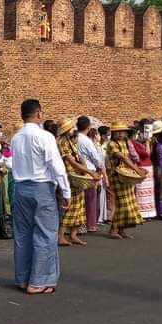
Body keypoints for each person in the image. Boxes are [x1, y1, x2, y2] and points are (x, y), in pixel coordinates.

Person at [10, 99, 70, 294]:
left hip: (20, 188)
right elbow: (56, 165)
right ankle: (39, 280)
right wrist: (66, 190)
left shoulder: (16, 138)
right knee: (45, 234)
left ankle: (23, 277)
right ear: (39, 114)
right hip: (41, 187)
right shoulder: (44, 136)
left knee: (23, 235)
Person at [56, 117, 95, 246]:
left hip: (78, 175)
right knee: (69, 207)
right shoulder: (62, 141)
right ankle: (60, 236)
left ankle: (73, 235)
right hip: (69, 176)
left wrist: (86, 169)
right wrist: (89, 172)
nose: (74, 129)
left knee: (79, 207)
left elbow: (78, 157)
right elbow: (70, 161)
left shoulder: (71, 140)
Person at [106, 122, 145, 238]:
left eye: (122, 131)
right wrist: (136, 169)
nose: (120, 134)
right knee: (122, 204)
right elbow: (122, 157)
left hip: (126, 176)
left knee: (129, 203)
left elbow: (129, 158)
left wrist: (136, 169)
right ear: (113, 133)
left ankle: (121, 229)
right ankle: (114, 230)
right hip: (117, 176)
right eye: (117, 132)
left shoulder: (125, 143)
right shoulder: (111, 144)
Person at [77, 117, 104, 233]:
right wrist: (99, 167)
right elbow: (95, 157)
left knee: (80, 200)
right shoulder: (86, 140)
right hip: (89, 171)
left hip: (77, 170)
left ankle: (79, 224)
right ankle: (90, 224)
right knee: (90, 199)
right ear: (88, 127)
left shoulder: (73, 138)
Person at [131, 123, 157, 220]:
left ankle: (148, 213)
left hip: (148, 167)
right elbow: (146, 154)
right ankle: (142, 213)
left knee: (148, 193)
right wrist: (147, 142)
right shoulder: (135, 143)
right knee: (141, 191)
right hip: (142, 167)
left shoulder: (138, 143)